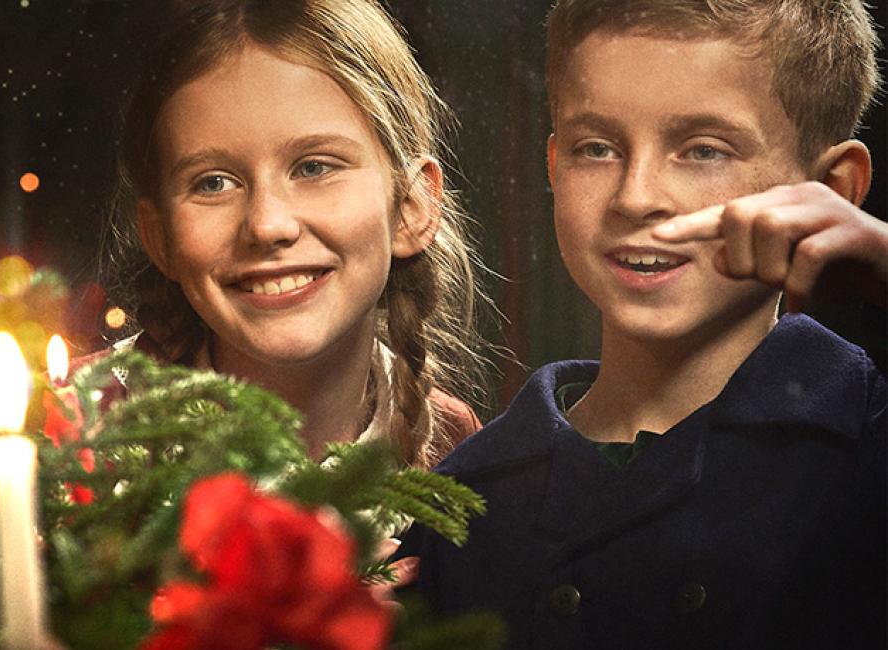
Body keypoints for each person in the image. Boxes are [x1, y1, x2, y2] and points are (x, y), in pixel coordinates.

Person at [397, 0, 887, 647]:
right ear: (551, 166)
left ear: (832, 188)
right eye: (595, 148)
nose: (635, 195)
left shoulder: (869, 446)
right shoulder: (465, 503)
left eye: (703, 151)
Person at [94, 0, 496, 468]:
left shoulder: (457, 445)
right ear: (159, 237)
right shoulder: (63, 432)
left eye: (314, 167)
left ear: (409, 207)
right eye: (214, 183)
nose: (268, 226)